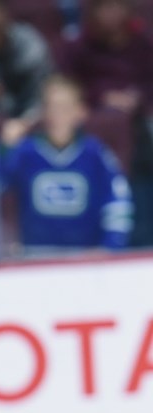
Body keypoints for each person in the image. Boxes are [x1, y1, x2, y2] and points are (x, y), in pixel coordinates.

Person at [0, 74, 134, 256]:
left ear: (80, 111)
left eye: (65, 108)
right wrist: (4, 149)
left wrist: (110, 247)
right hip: (34, 258)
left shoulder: (95, 154)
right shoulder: (24, 152)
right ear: (43, 111)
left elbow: (118, 201)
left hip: (86, 259)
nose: (58, 115)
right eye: (51, 107)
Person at [57, 0, 153, 247]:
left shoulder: (141, 44)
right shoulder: (81, 46)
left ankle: (143, 239)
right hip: (90, 133)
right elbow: (67, 85)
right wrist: (101, 97)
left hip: (138, 132)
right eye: (105, 7)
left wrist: (137, 97)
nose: (111, 13)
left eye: (117, 6)